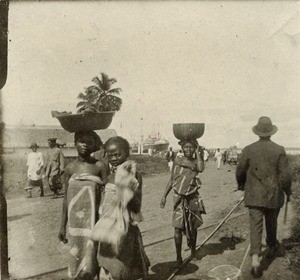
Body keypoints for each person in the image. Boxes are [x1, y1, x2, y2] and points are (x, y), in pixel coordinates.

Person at [236, 116, 292, 278]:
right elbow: (285, 176)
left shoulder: (248, 149)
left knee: (255, 226)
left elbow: (240, 170)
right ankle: (272, 247)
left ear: (258, 132)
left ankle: (255, 259)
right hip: (273, 195)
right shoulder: (279, 149)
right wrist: (288, 191)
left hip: (254, 195)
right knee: (271, 222)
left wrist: (241, 185)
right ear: (271, 132)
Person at [96, 136, 150, 280]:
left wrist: (126, 188)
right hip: (107, 227)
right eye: (110, 155)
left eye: (117, 154)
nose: (113, 158)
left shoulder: (135, 175)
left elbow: (137, 206)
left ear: (127, 154)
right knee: (107, 264)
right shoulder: (108, 175)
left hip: (124, 229)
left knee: (122, 266)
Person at [58, 130, 108, 279]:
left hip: (95, 222)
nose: (85, 145)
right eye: (81, 141)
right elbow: (66, 199)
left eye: (89, 141)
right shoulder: (70, 168)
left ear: (94, 145)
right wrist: (62, 226)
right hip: (75, 225)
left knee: (94, 259)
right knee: (76, 258)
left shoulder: (100, 166)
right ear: (75, 143)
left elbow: (107, 195)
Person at [160, 139, 205, 268]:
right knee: (177, 228)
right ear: (182, 148)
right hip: (178, 198)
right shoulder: (177, 161)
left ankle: (193, 251)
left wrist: (198, 152)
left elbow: (201, 169)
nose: (189, 150)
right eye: (186, 147)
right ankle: (178, 257)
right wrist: (164, 196)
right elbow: (172, 179)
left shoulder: (197, 162)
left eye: (192, 147)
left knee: (193, 226)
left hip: (192, 197)